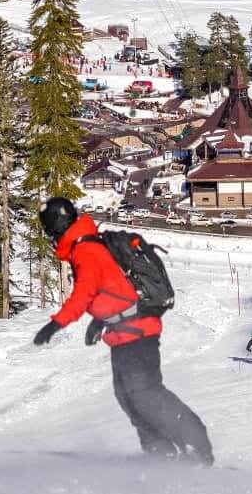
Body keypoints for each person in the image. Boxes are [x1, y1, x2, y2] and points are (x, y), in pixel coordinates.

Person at [32, 197, 214, 465]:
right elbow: (114, 289)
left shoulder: (86, 250)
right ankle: (159, 452)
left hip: (137, 333)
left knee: (145, 394)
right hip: (125, 333)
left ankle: (197, 445)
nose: (50, 240)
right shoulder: (87, 246)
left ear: (57, 228)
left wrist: (55, 324)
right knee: (129, 395)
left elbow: (84, 293)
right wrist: (101, 320)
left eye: (49, 233)